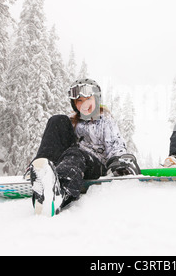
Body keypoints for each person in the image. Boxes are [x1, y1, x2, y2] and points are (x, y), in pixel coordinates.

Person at [25, 78, 140, 216]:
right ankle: (42, 174)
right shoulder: (73, 123)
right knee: (58, 120)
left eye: (87, 98)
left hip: (96, 165)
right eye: (79, 100)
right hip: (71, 162)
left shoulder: (105, 121)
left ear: (96, 99)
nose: (83, 103)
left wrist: (119, 162)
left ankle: (59, 194)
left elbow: (115, 145)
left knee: (75, 153)